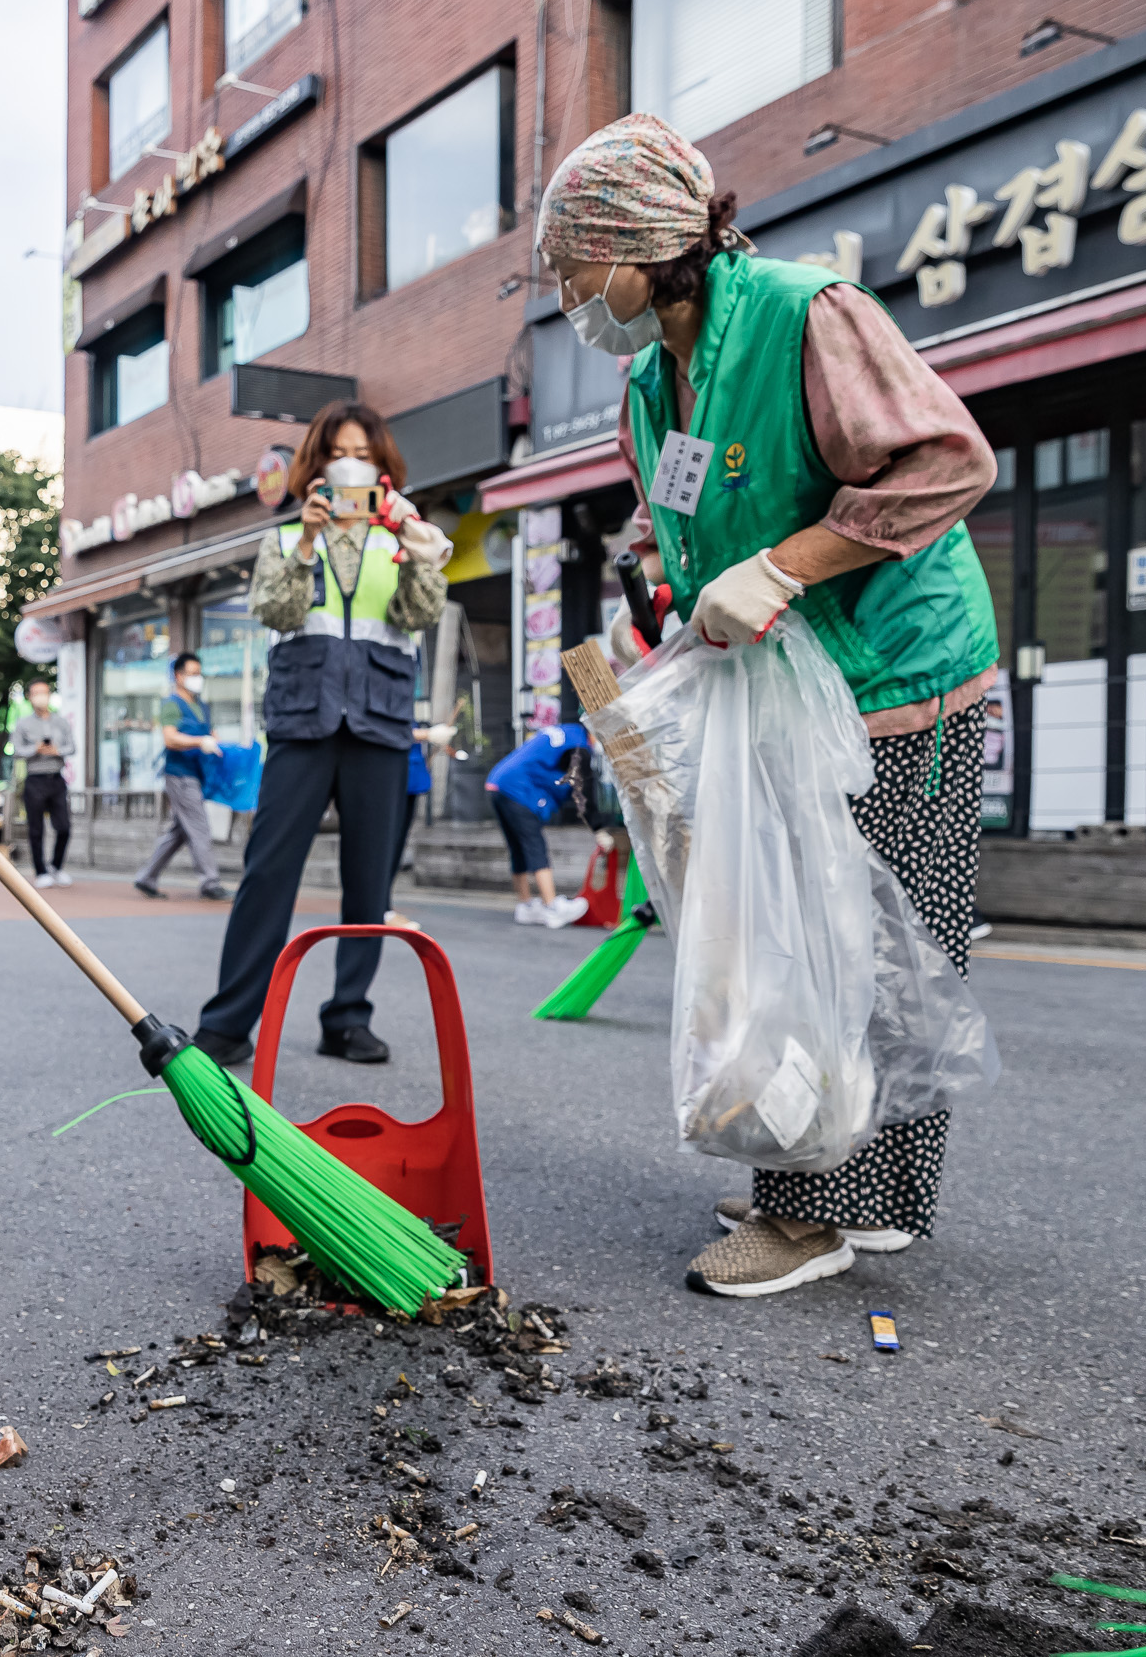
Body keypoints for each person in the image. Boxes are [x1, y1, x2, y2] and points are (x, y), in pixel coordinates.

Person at [540, 114, 999, 1298]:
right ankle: (862, 1190)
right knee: (799, 934)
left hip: (898, 679)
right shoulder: (654, 376)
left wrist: (789, 564)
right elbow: (675, 520)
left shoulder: (807, 313)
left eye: (572, 265)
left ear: (642, 251)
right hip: (777, 690)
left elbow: (947, 463)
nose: (565, 292)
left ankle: (811, 1215)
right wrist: (651, 615)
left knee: (849, 941)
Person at [191, 403, 453, 1068]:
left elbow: (421, 614)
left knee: (370, 881)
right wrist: (306, 543)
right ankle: (226, 1023)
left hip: (380, 719)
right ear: (316, 465)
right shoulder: (283, 539)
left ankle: (347, 1017)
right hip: (302, 719)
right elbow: (275, 611)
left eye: (363, 452)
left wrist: (413, 542)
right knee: (268, 870)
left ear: (383, 465)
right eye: (338, 451)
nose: (351, 462)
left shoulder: (405, 537)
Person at [132, 652, 229, 902]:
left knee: (179, 831)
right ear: (178, 675)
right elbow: (170, 738)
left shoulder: (202, 706)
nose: (198, 678)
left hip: (197, 775)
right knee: (199, 827)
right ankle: (210, 882)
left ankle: (146, 877)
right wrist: (199, 741)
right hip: (180, 775)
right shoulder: (171, 704)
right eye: (192, 673)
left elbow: (211, 736)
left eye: (199, 673)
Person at [482, 723, 594, 929]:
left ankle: (526, 905)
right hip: (518, 788)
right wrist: (597, 826)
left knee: (518, 847)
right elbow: (582, 786)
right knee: (534, 844)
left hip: (499, 781)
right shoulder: (580, 745)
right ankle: (552, 906)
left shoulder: (568, 731)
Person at [381, 722, 455, 930]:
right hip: (388, 776)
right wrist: (427, 734)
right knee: (384, 847)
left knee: (394, 847)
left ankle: (383, 907)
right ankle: (380, 910)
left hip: (409, 776)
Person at [10, 677, 74, 887]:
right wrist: (35, 749)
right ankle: (40, 871)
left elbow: (72, 747)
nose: (41, 697)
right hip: (34, 779)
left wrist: (58, 750)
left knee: (64, 826)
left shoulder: (60, 721)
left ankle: (56, 866)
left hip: (56, 778)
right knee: (36, 829)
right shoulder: (23, 724)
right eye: (37, 693)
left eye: (44, 692)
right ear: (29, 697)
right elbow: (16, 750)